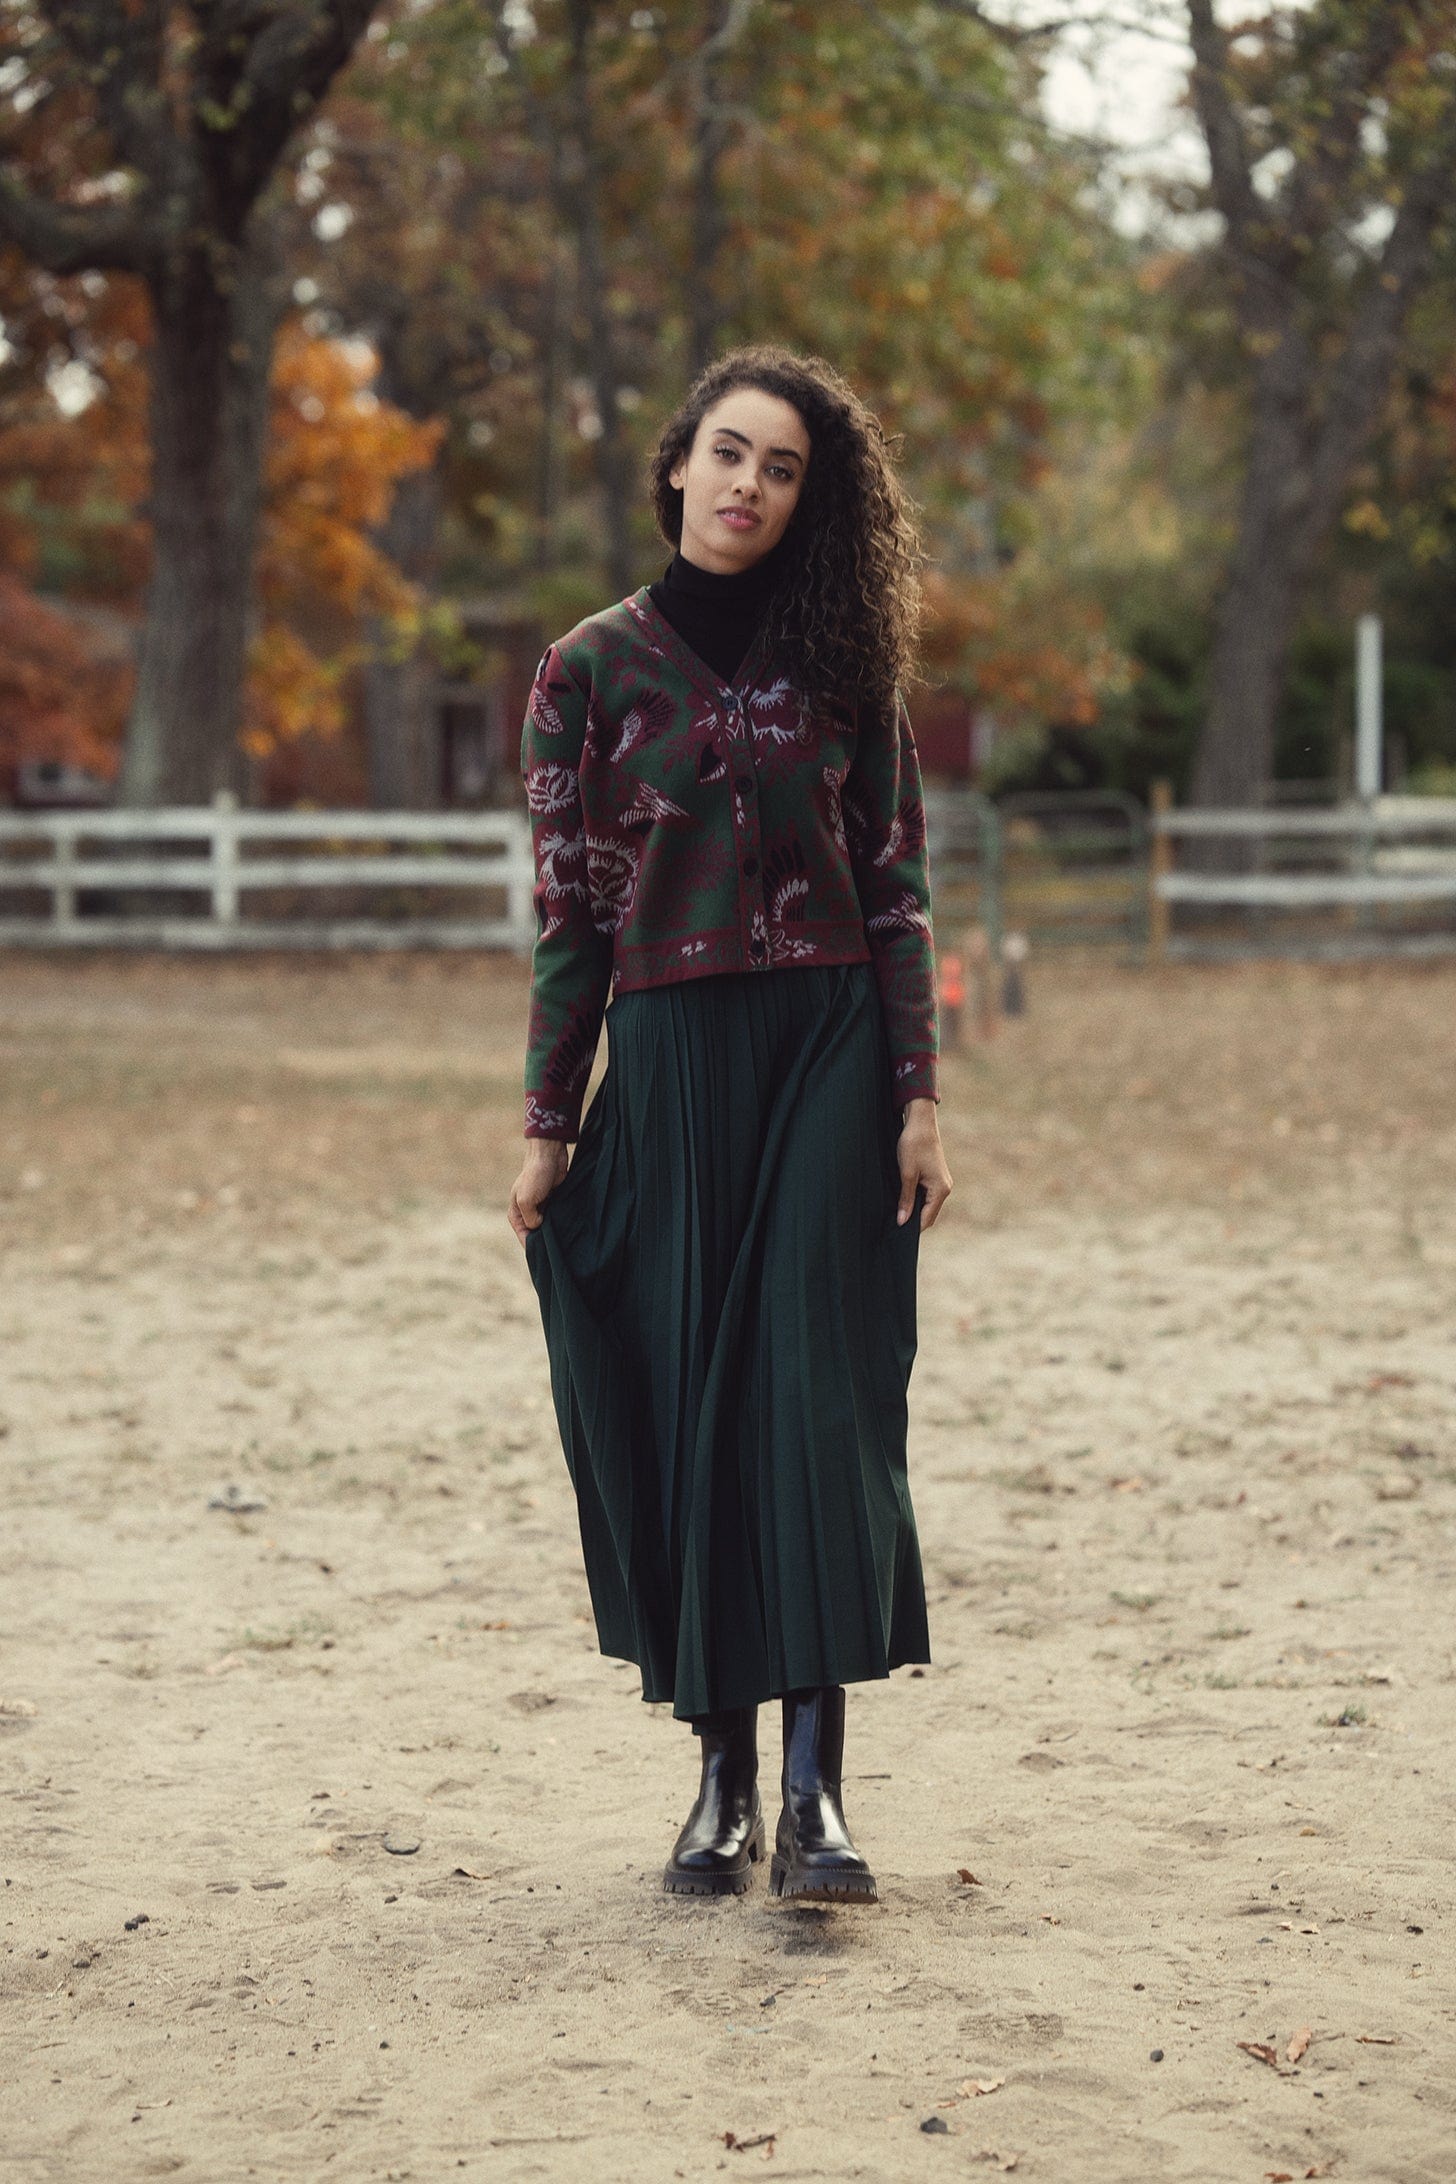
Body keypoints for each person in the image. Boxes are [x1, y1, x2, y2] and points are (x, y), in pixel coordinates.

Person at [508, 344, 952, 1905]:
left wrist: (917, 1095)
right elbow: (571, 913)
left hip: (830, 1043)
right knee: (698, 1393)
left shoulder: (847, 663)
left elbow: (895, 892)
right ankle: (721, 1785)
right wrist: (552, 1119)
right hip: (678, 1052)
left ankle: (821, 1795)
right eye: (730, 453)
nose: (750, 485)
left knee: (817, 1402)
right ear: (677, 464)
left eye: (782, 469)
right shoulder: (587, 671)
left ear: (806, 502)